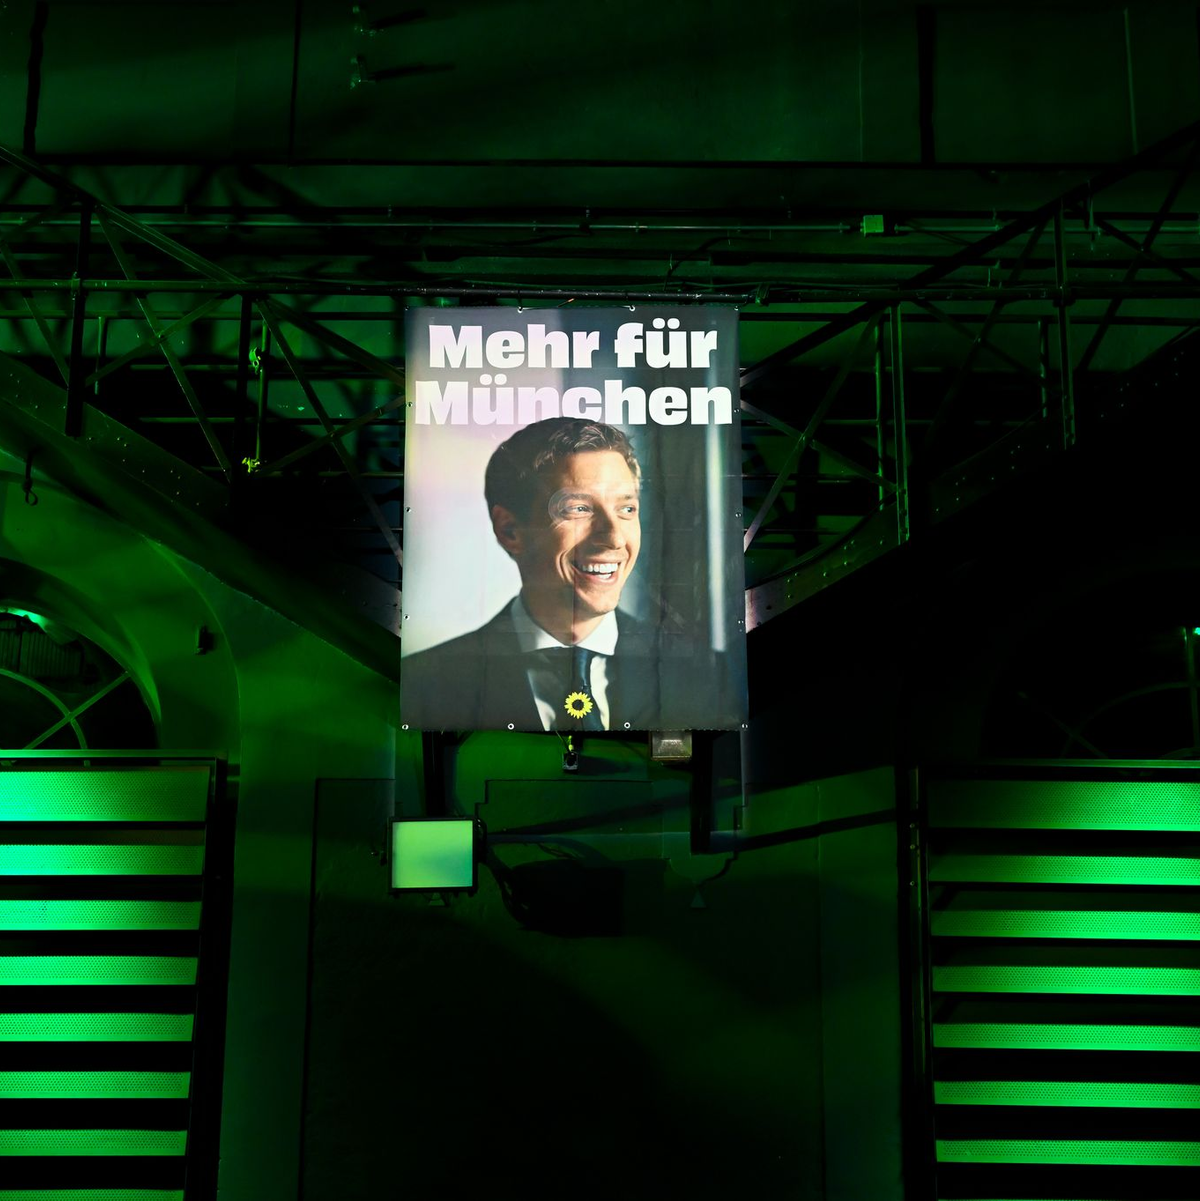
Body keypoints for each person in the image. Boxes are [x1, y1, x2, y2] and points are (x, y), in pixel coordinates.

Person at [401, 416, 663, 731]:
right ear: (510, 530)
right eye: (578, 509)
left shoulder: (701, 674)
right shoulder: (424, 685)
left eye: (627, 509)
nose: (615, 538)